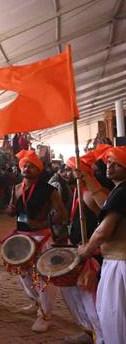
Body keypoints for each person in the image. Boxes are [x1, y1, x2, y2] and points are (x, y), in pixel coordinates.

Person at [5, 150, 67, 333]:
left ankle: (46, 315)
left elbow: (61, 214)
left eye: (31, 166)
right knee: (23, 274)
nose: (27, 168)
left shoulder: (49, 190)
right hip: (21, 236)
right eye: (24, 165)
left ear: (38, 169)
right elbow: (10, 210)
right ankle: (36, 303)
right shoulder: (16, 188)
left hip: (41, 237)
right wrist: (9, 210)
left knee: (43, 277)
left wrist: (41, 223)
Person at [78, 146, 126, 344]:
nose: (109, 166)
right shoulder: (119, 191)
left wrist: (85, 252)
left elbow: (103, 232)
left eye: (116, 163)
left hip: (119, 264)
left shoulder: (122, 192)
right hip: (117, 261)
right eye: (108, 162)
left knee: (114, 318)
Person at [61, 156, 107, 344]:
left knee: (90, 298)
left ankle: (102, 337)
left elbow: (105, 222)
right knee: (76, 295)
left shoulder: (89, 195)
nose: (66, 173)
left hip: (90, 254)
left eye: (70, 170)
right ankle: (90, 332)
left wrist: (90, 246)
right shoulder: (78, 192)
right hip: (78, 250)